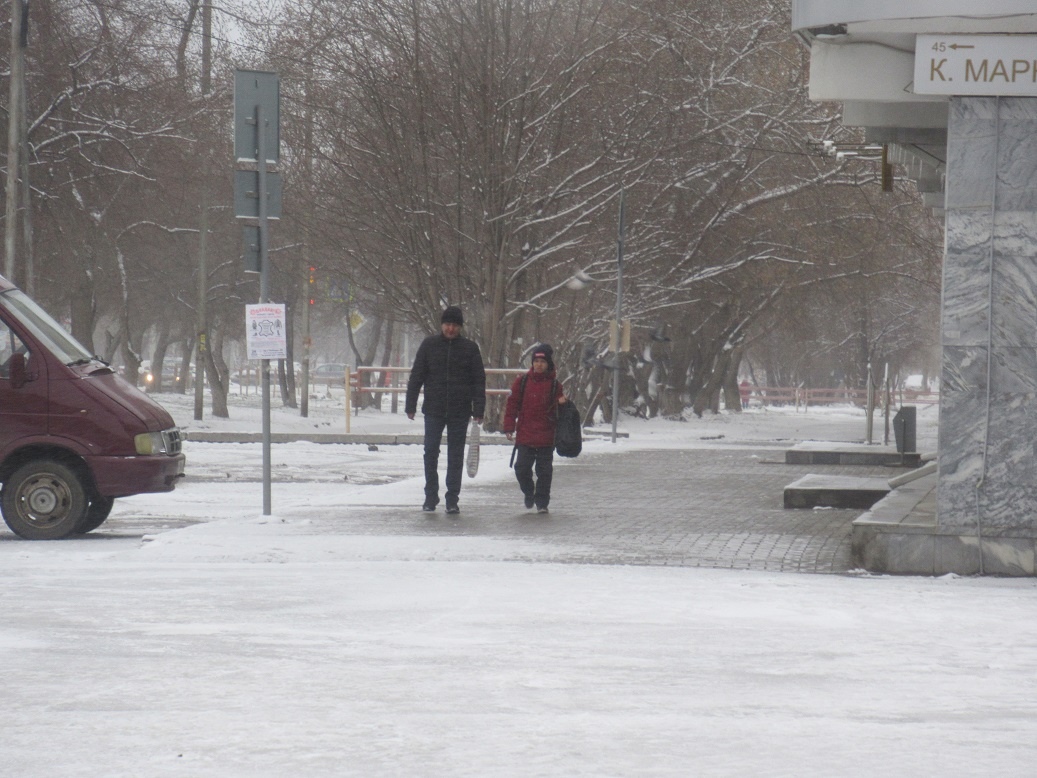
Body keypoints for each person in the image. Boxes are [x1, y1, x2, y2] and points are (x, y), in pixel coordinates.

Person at [405, 306, 486, 514]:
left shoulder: (470, 349)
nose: (451, 329)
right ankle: (430, 496)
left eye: (455, 325)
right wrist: (410, 404)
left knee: (456, 455)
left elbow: (478, 380)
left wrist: (479, 408)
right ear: (442, 325)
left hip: (460, 410)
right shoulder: (429, 345)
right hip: (434, 408)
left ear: (460, 327)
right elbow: (417, 375)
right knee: (430, 452)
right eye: (448, 324)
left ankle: (452, 498)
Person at [502, 343, 566, 514]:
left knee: (544, 472)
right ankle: (529, 491)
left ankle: (542, 502)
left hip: (547, 436)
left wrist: (564, 404)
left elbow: (564, 411)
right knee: (521, 468)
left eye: (542, 361)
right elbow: (512, 405)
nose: (539, 364)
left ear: (548, 364)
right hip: (525, 435)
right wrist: (509, 426)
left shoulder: (555, 385)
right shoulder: (522, 382)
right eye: (536, 361)